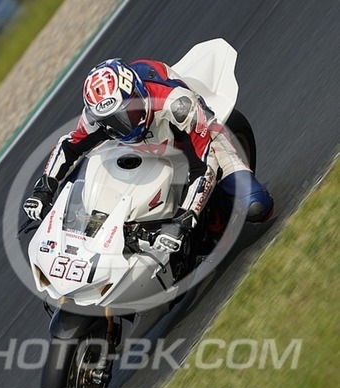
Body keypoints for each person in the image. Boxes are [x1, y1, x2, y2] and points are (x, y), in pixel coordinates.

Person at [23, 58, 273, 252]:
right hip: (142, 146)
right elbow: (69, 146)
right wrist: (44, 189)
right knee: (86, 167)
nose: (124, 124)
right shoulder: (96, 117)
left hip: (195, 137)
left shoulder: (177, 105)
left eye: (128, 113)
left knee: (257, 206)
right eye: (112, 121)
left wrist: (183, 220)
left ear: (138, 95)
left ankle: (218, 216)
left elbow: (204, 166)